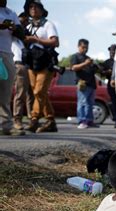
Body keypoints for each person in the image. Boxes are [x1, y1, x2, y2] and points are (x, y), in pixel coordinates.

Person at [24, 0, 59, 133]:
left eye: (36, 7)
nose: (33, 9)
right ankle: (50, 121)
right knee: (38, 92)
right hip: (32, 61)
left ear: (41, 9)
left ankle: (34, 119)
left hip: (46, 61)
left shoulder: (48, 24)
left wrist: (36, 40)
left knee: (39, 91)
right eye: (31, 7)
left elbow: (55, 42)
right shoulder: (28, 26)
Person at [0, 0, 25, 136]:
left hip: (7, 54)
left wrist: (15, 28)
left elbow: (22, 35)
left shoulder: (11, 13)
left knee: (5, 91)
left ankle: (5, 126)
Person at [11, 12, 33, 130]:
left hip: (27, 65)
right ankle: (17, 119)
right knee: (20, 93)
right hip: (18, 64)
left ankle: (31, 120)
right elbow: (17, 30)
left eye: (26, 21)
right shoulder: (13, 34)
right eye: (22, 21)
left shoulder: (23, 39)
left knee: (30, 95)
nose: (25, 23)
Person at [70, 38, 97, 129]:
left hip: (91, 84)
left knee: (90, 103)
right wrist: (85, 64)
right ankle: (82, 120)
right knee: (82, 102)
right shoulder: (75, 56)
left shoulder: (88, 58)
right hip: (82, 83)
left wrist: (94, 65)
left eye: (87, 47)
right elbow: (74, 68)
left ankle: (89, 121)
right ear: (79, 47)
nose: (85, 49)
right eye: (83, 47)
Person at [99, 44, 116, 128]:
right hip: (111, 84)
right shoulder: (107, 62)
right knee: (114, 103)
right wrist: (104, 71)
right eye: (110, 51)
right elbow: (101, 72)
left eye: (114, 51)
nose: (112, 53)